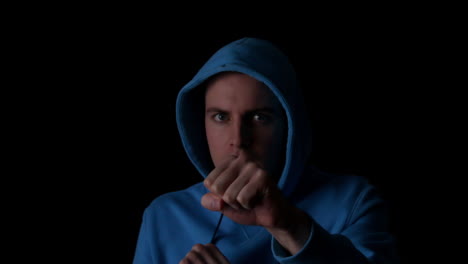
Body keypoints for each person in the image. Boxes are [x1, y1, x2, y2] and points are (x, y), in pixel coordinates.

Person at [133, 37, 399, 263]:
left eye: (259, 117)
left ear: (290, 124)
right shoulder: (164, 216)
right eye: (220, 117)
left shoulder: (352, 202)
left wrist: (288, 223)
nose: (238, 139)